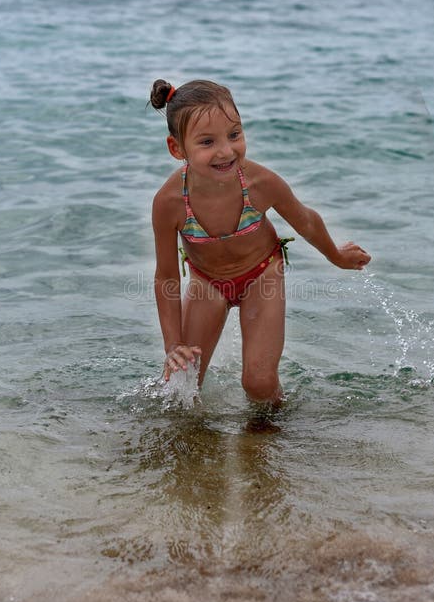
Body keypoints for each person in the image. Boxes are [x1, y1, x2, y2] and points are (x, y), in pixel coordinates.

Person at [150, 78, 371, 404]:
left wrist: (335, 255)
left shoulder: (259, 183)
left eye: (234, 135)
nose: (226, 151)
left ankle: (273, 435)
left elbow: (305, 220)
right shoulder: (169, 202)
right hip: (206, 282)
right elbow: (167, 276)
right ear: (177, 148)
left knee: (259, 383)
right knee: (181, 383)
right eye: (207, 142)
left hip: (261, 274)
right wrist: (173, 345)